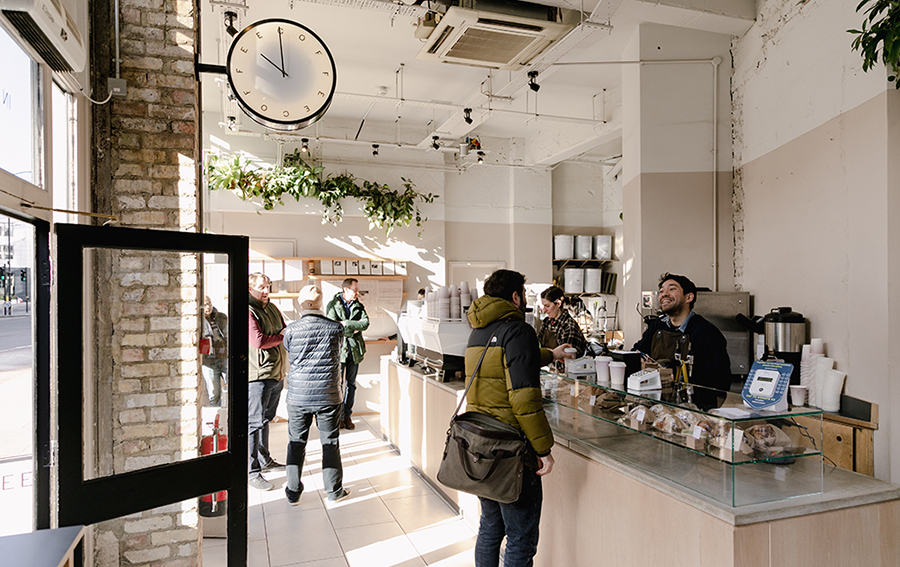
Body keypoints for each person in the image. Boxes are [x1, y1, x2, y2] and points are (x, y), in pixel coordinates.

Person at [465, 269, 575, 567]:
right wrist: (543, 450)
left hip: (481, 443)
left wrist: (551, 354)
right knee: (520, 537)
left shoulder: (479, 331)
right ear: (515, 296)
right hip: (511, 449)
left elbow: (511, 359)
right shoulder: (518, 329)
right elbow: (524, 399)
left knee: (490, 527)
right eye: (523, 293)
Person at [282, 285, 351, 505]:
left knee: (296, 442)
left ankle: (293, 493)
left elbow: (288, 350)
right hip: (328, 394)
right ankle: (334, 491)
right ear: (321, 304)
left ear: (301, 304)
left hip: (298, 396)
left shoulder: (291, 330)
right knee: (330, 442)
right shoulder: (335, 328)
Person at [632, 273, 732, 391]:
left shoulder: (706, 333)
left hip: (692, 405)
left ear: (688, 297)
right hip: (655, 399)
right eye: (661, 291)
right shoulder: (657, 326)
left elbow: (719, 381)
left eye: (672, 289)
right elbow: (637, 352)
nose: (664, 294)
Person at [248, 273, 287, 490]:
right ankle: (252, 472)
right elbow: (258, 341)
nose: (266, 291)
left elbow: (285, 328)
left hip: (276, 373)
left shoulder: (271, 308)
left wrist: (282, 334)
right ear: (250, 288)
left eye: (268, 287)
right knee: (254, 423)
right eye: (261, 287)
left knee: (265, 419)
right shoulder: (249, 310)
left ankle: (265, 460)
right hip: (258, 377)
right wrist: (280, 336)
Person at [325, 278, 370, 430]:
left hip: (355, 351)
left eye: (357, 290)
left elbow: (365, 323)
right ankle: (337, 417)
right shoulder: (333, 304)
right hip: (339, 351)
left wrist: (347, 324)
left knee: (351, 385)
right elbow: (332, 326)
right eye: (354, 290)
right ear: (345, 290)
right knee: (338, 385)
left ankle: (347, 415)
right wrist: (353, 329)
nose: (357, 293)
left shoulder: (359, 305)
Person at [537, 286, 587, 369]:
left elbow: (566, 362)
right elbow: (537, 346)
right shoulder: (547, 322)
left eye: (547, 306)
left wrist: (546, 359)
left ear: (558, 304)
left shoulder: (569, 326)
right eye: (544, 306)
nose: (544, 310)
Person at [201, 296, 228, 407]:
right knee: (214, 394)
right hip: (209, 361)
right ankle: (217, 418)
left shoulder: (220, 317)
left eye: (209, 303)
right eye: (205, 304)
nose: (208, 307)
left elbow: (228, 334)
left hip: (224, 356)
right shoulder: (197, 320)